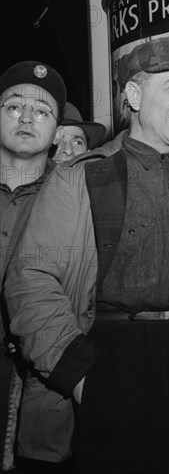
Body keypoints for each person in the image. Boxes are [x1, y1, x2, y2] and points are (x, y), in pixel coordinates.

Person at [4, 37, 169, 474]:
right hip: (116, 365)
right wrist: (80, 376)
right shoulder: (80, 179)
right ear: (135, 96)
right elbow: (31, 280)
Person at [0, 61, 65, 472]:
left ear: (58, 133)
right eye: (13, 107)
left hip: (42, 379)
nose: (27, 118)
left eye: (42, 111)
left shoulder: (77, 196)